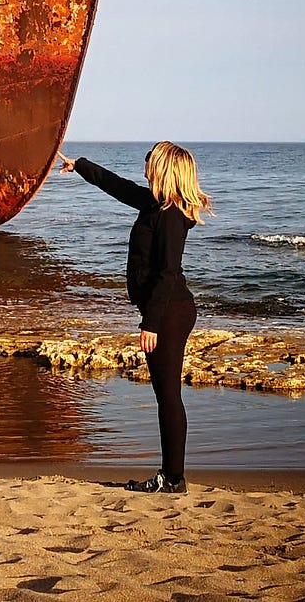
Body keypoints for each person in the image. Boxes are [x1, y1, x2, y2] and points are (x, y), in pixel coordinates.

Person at [56, 142, 212, 494]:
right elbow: (116, 185)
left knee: (168, 396)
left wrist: (151, 322)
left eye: (150, 159)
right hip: (165, 310)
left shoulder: (170, 215)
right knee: (166, 394)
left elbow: (168, 273)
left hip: (169, 312)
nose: (143, 163)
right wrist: (79, 165)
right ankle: (172, 476)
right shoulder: (154, 204)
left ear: (164, 168)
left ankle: (172, 478)